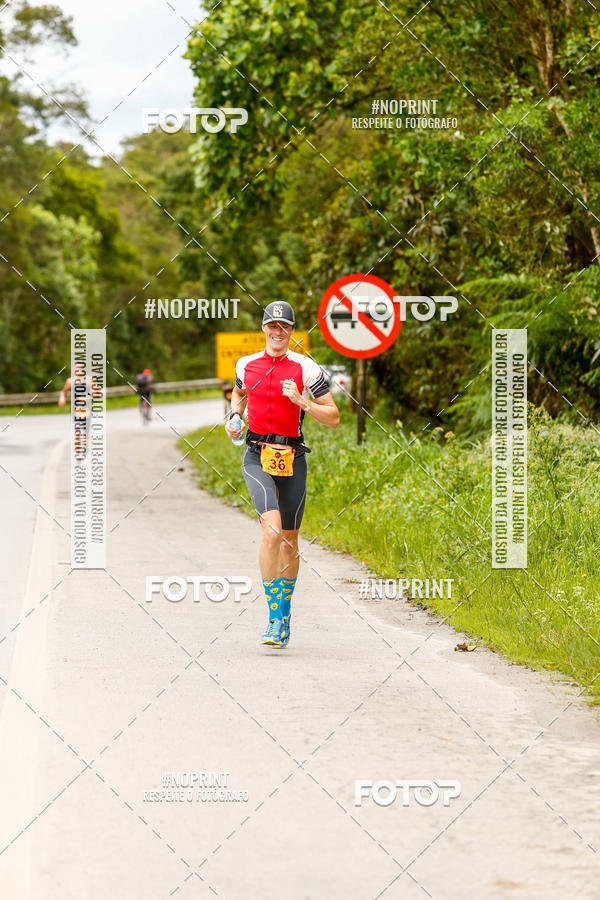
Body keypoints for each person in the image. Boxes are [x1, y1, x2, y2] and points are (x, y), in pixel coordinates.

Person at [225, 301, 339, 648]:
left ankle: (283, 612)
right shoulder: (246, 364)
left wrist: (303, 402)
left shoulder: (306, 369)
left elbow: (333, 416)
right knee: (272, 532)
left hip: (292, 457)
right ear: (264, 328)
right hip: (257, 455)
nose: (278, 331)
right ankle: (274, 619)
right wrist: (233, 416)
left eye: (284, 326)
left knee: (290, 541)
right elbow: (239, 393)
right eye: (272, 325)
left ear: (292, 331)